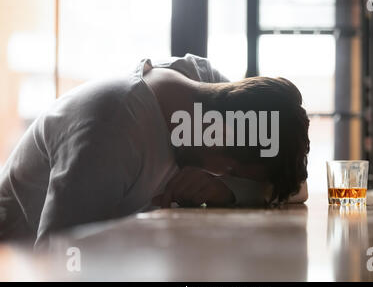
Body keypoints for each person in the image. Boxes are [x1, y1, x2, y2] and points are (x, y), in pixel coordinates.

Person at [0, 54, 309, 248]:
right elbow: (59, 260)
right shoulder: (111, 133)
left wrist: (228, 192)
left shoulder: (208, 93)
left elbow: (296, 189)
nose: (222, 176)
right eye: (231, 172)